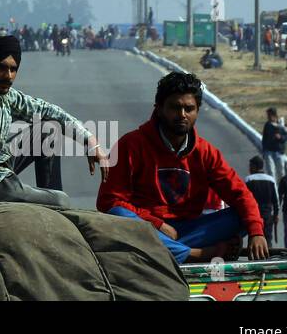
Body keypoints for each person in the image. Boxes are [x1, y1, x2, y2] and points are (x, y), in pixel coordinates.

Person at [97, 71, 269, 263]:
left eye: (189, 108)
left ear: (197, 110)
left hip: (187, 231)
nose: (182, 115)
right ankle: (197, 254)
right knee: (118, 216)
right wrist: (157, 224)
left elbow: (240, 194)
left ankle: (164, 253)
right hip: (147, 229)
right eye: (175, 108)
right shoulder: (130, 145)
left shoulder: (206, 152)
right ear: (159, 108)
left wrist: (256, 232)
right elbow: (109, 202)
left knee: (245, 215)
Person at [0, 36, 108, 213]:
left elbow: (45, 110)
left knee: (47, 130)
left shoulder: (3, 94)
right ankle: (57, 211)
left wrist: (89, 140)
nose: (8, 76)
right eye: (2, 68)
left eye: (13, 69)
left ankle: (50, 201)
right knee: (61, 201)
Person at [244, 156, 279, 243]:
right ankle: (268, 255)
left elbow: (244, 199)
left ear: (255, 167)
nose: (249, 168)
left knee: (254, 238)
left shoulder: (248, 180)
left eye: (250, 166)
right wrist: (276, 215)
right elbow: (276, 200)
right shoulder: (271, 180)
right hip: (267, 215)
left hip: (254, 215)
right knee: (268, 238)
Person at [261, 107, 287, 180]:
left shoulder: (282, 124)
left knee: (281, 173)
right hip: (269, 152)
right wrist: (264, 151)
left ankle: (282, 189)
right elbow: (264, 138)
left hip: (279, 152)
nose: (267, 117)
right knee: (271, 172)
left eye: (269, 115)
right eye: (267, 115)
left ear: (274, 115)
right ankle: (273, 189)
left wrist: (281, 137)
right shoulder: (267, 125)